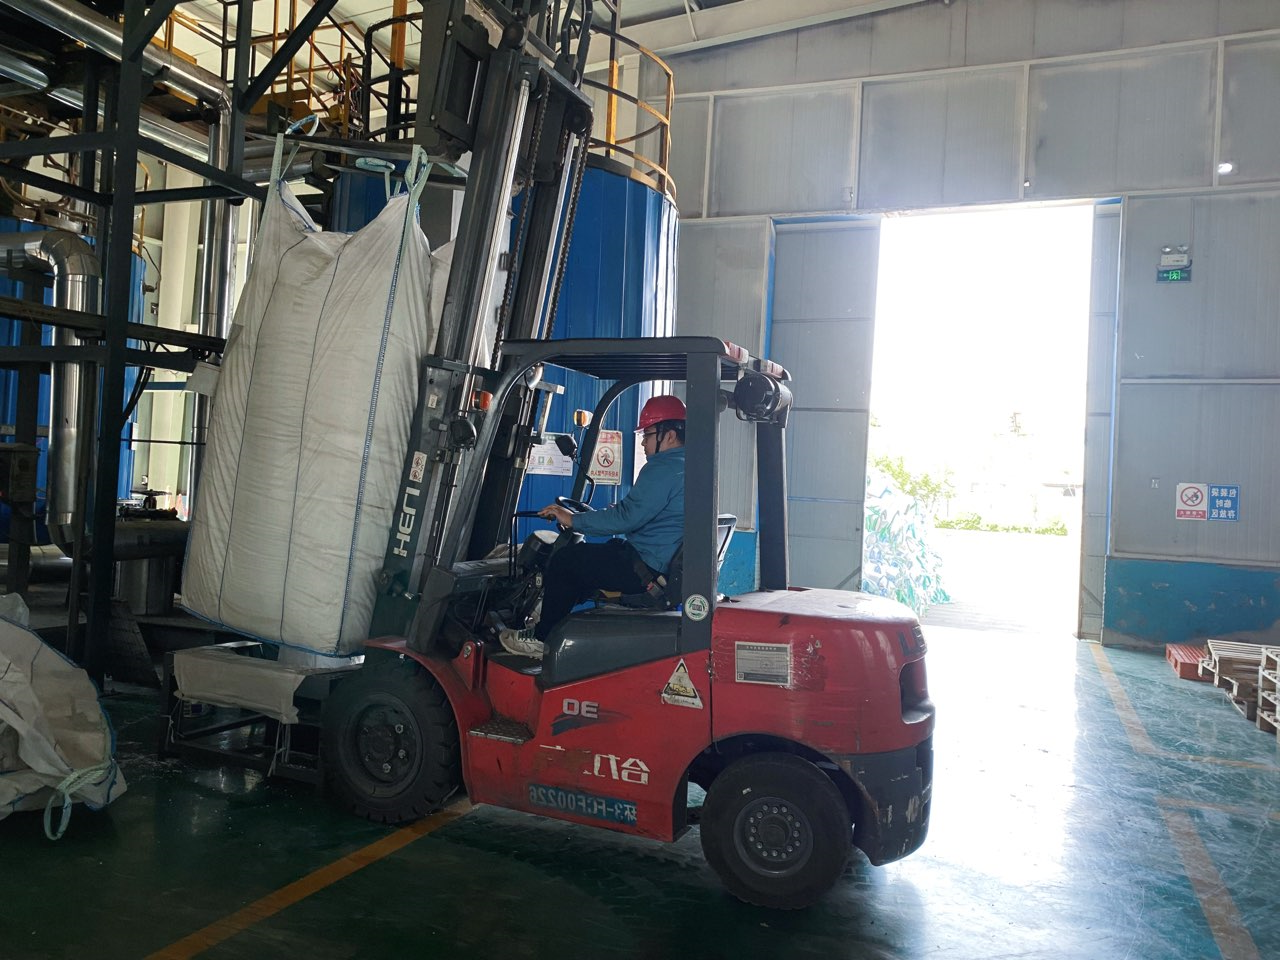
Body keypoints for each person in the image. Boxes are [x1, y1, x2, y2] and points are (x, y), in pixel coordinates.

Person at [500, 395, 687, 657]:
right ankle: (553, 620)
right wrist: (612, 514)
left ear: (670, 435)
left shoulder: (663, 469)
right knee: (598, 556)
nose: (643, 442)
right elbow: (645, 514)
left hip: (645, 570)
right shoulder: (686, 467)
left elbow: (625, 518)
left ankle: (541, 639)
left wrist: (572, 519)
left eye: (648, 434)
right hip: (656, 564)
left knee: (565, 561)